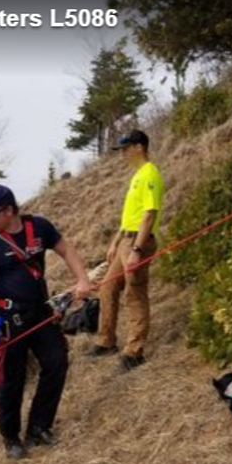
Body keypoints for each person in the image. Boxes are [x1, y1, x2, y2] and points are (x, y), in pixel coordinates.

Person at [0, 185, 92, 460]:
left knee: (56, 362)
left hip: (41, 314)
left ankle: (39, 427)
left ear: (9, 210)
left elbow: (66, 250)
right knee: (12, 380)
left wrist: (82, 280)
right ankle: (11, 437)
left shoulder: (39, 228)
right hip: (6, 319)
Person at [89, 130, 164, 371]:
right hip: (126, 241)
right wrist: (115, 241)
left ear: (139, 147)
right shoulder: (137, 176)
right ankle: (106, 341)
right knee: (108, 287)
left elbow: (149, 214)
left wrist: (137, 249)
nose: (122, 153)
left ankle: (134, 352)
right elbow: (130, 217)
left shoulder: (150, 174)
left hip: (138, 244)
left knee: (135, 294)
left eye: (125, 148)